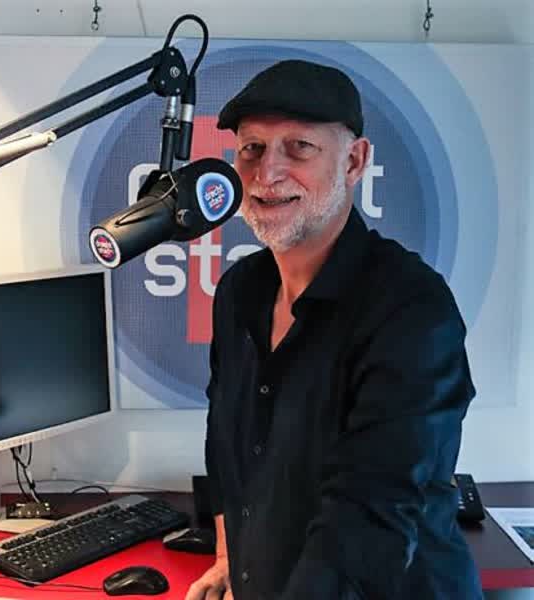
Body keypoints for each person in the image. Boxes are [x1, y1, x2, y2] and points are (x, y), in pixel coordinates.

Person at [185, 59, 482, 600]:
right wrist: (230, 558)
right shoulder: (238, 292)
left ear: (354, 161)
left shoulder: (412, 308)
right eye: (252, 148)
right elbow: (226, 449)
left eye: (299, 148)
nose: (266, 173)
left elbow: (367, 515)